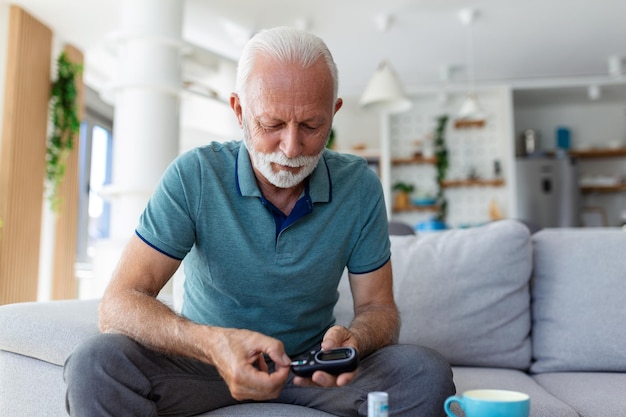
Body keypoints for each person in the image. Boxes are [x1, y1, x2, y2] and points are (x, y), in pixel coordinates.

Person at [64, 26, 455, 417]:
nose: (291, 147)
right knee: (97, 364)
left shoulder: (360, 187)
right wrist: (213, 344)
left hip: (310, 371)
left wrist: (353, 340)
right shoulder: (195, 175)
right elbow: (118, 303)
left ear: (333, 112)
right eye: (271, 125)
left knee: (423, 372)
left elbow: (379, 308)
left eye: (311, 126)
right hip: (205, 365)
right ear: (239, 110)